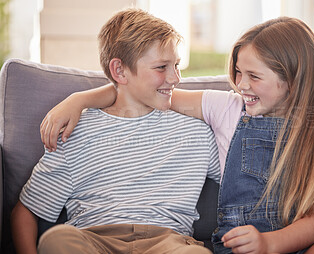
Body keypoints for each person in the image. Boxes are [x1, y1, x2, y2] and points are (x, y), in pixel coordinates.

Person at [39, 17, 314, 254]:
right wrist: (79, 99)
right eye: (238, 73)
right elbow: (149, 93)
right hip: (244, 244)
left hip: (303, 240)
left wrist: (284, 241)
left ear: (295, 79)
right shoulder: (227, 109)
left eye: (254, 76)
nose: (241, 85)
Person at [11, 8, 220, 254]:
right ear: (119, 71)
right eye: (162, 67)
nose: (175, 78)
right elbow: (25, 212)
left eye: (176, 65)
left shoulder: (195, 128)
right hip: (95, 240)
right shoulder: (76, 132)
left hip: (168, 243)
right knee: (57, 239)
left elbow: (243, 180)